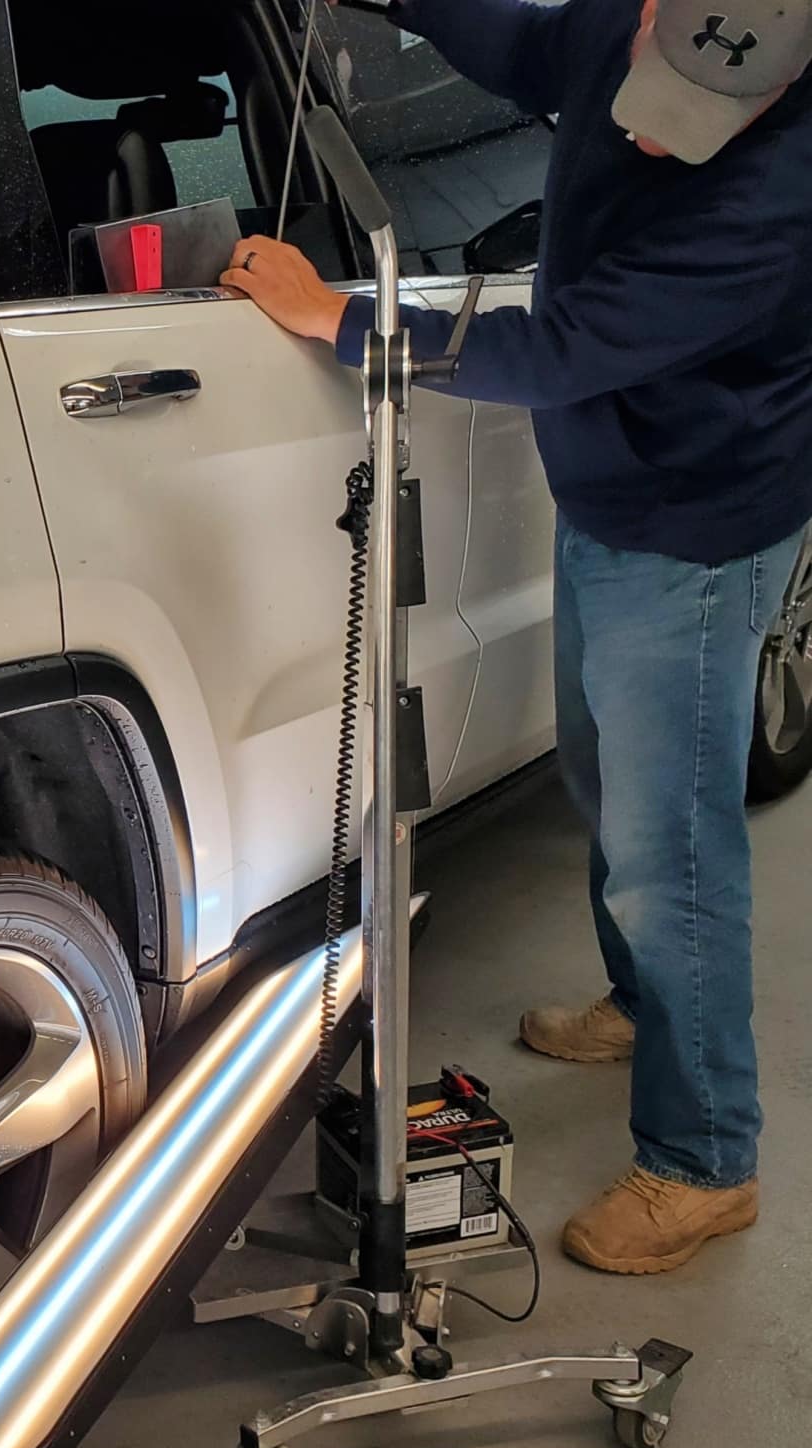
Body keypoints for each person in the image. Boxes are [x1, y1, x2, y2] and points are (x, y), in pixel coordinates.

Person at [226, 0, 812, 1274]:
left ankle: (704, 1163)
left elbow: (552, 350)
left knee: (673, 857)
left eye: (697, 132)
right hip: (612, 488)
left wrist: (336, 318)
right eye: (651, 102)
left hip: (695, 525)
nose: (653, 145)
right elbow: (506, 40)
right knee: (598, 778)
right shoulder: (613, 32)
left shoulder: (777, 200)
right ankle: (641, 1003)